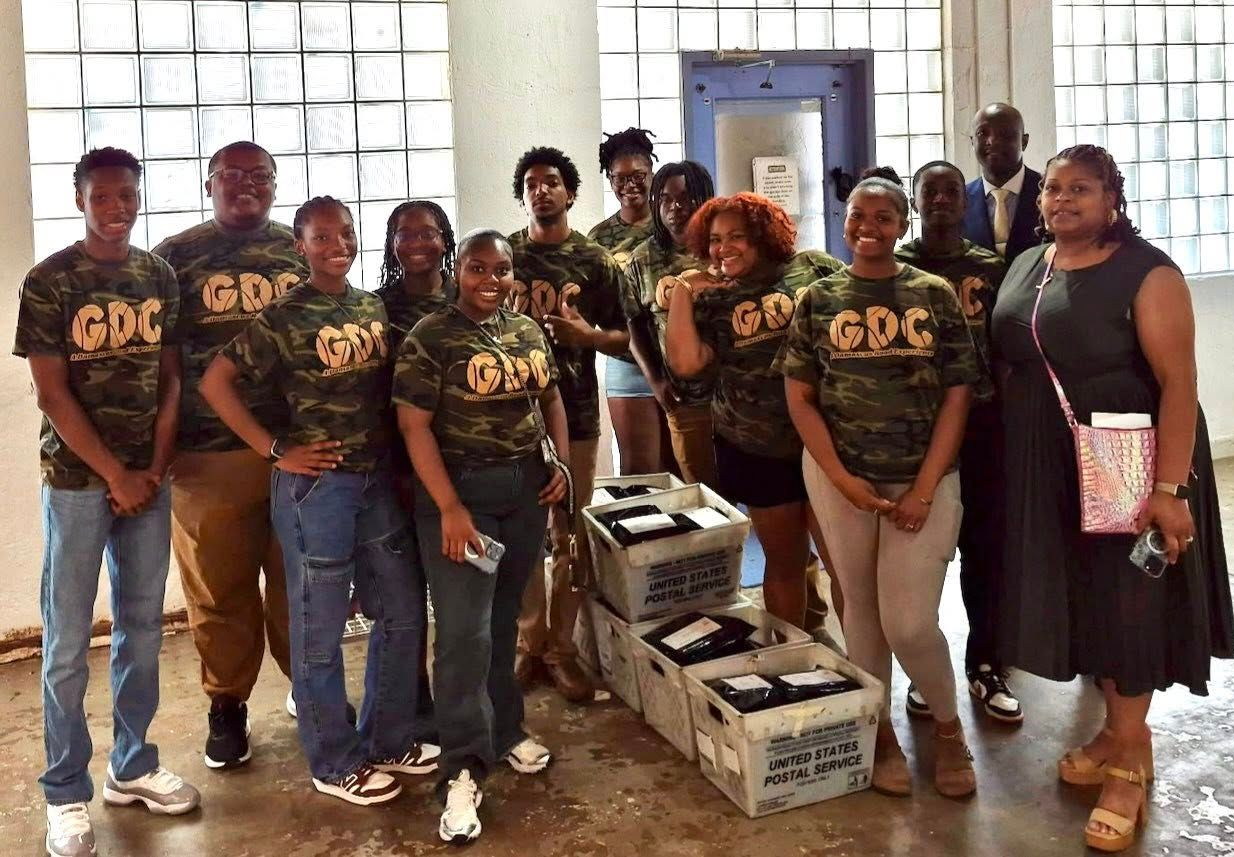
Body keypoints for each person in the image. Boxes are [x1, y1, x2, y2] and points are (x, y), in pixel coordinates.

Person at [991, 144, 1233, 851]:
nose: (1063, 200)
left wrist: (1169, 489)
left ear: (1112, 198)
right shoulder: (1031, 263)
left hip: (1129, 460)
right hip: (1052, 463)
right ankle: (1113, 731)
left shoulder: (1147, 271)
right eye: (1055, 189)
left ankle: (1130, 757)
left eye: (1083, 189)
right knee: (1088, 595)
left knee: (1131, 600)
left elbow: (1180, 382)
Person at [200, 196, 438, 806]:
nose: (338, 243)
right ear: (300, 247)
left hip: (376, 480)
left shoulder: (368, 307)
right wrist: (275, 449)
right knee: (318, 632)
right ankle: (333, 760)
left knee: (403, 611)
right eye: (322, 236)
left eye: (347, 233)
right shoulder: (283, 316)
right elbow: (215, 382)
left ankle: (388, 738)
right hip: (317, 491)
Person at [15, 147, 199, 857]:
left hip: (147, 482)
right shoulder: (50, 281)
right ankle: (65, 791)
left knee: (142, 627)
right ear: (80, 199)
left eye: (129, 195)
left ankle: (133, 764)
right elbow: (52, 392)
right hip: (77, 484)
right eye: (104, 196)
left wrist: (150, 467)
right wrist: (114, 474)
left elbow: (171, 380)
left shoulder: (158, 276)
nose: (118, 207)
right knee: (65, 643)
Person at [779, 171, 982, 798]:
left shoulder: (934, 294)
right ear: (844, 223)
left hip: (923, 478)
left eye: (883, 219)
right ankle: (881, 735)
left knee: (910, 621)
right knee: (861, 613)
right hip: (842, 481)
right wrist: (840, 479)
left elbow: (958, 395)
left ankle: (948, 730)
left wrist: (923, 489)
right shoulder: (819, 300)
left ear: (903, 226)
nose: (868, 229)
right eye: (857, 217)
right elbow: (800, 398)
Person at [394, 228, 570, 845]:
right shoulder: (430, 338)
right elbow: (414, 429)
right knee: (463, 634)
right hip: (459, 499)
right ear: (456, 269)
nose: (489, 281)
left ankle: (506, 731)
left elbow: (549, 398)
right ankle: (461, 769)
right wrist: (447, 507)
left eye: (500, 270)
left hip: (522, 493)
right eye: (476, 268)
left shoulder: (526, 331)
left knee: (500, 622)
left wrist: (562, 466)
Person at [152, 140, 307, 770]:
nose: (246, 185)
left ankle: (312, 689)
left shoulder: (299, 249)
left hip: (297, 452)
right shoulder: (174, 259)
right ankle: (227, 705)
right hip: (208, 457)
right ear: (206, 183)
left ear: (275, 184)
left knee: (302, 582)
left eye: (260, 176)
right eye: (231, 175)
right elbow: (156, 364)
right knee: (219, 590)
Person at [665, 192, 840, 629]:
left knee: (843, 567)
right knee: (784, 562)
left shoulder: (813, 269)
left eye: (736, 237)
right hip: (755, 445)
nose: (723, 248)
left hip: (824, 442)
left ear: (763, 236)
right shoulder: (714, 298)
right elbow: (686, 363)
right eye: (715, 239)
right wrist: (685, 291)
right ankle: (793, 663)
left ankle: (860, 667)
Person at [894, 161, 1023, 724]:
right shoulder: (893, 270)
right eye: (931, 192)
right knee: (925, 555)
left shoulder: (991, 268)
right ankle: (927, 671)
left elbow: (1012, 350)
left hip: (985, 427)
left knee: (985, 549)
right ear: (916, 203)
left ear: (962, 202)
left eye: (951, 191)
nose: (942, 200)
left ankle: (987, 663)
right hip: (917, 434)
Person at [507, 146, 628, 703]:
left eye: (552, 182)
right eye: (531, 183)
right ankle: (529, 647)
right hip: (507, 423)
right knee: (523, 539)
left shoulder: (594, 260)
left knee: (569, 537)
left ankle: (562, 649)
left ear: (571, 193)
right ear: (523, 195)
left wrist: (589, 339)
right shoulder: (504, 256)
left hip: (575, 418)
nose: (541, 190)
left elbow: (628, 336)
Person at [374, 198, 461, 745]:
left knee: (457, 590)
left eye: (428, 233)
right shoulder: (376, 307)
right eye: (404, 236)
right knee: (404, 590)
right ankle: (416, 696)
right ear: (392, 245)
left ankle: (464, 694)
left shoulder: (469, 295)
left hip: (463, 459)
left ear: (445, 239)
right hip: (399, 463)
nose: (417, 244)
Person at [621, 160, 718, 486]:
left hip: (740, 397)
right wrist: (656, 381)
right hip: (685, 399)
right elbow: (631, 324)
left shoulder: (724, 247)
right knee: (702, 495)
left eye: (685, 198)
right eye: (665, 199)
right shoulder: (643, 259)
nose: (675, 207)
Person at [588, 127, 662, 474]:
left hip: (678, 360)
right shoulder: (600, 238)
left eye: (639, 176)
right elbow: (595, 303)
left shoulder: (671, 225)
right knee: (639, 472)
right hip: (627, 362)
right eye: (620, 178)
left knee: (684, 468)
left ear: (652, 175)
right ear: (609, 179)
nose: (630, 185)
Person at [962, 102, 1042, 264]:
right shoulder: (960, 200)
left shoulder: (1048, 192)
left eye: (1005, 133)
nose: (992, 141)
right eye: (982, 133)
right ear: (972, 142)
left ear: (1024, 141)